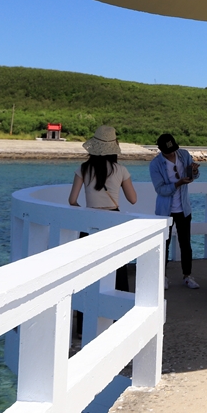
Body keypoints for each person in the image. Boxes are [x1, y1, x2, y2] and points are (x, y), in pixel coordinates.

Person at [68, 125, 138, 292]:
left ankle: (84, 312)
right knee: (118, 266)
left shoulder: (83, 169)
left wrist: (85, 210)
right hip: (113, 219)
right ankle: (118, 310)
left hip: (90, 220)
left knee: (88, 268)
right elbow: (133, 199)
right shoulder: (120, 170)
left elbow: (72, 200)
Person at [149, 133, 200, 289]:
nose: (172, 153)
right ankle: (162, 276)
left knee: (186, 244)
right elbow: (160, 190)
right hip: (165, 210)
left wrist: (194, 172)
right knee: (164, 244)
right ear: (160, 150)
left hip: (184, 208)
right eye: (168, 151)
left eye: (173, 150)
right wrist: (177, 184)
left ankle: (187, 275)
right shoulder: (155, 164)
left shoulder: (184, 155)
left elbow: (194, 177)